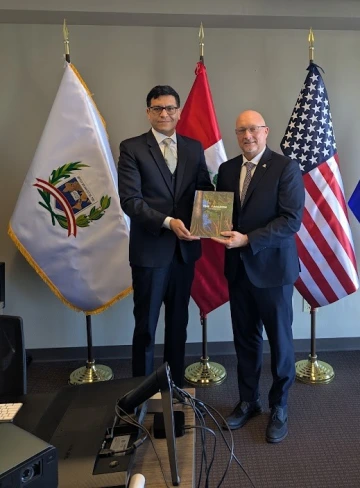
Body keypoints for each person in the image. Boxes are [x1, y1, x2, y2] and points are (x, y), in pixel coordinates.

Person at [212, 110, 305, 443]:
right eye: (241, 131)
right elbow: (221, 215)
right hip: (238, 270)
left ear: (266, 131)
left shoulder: (285, 167)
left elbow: (291, 220)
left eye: (253, 129)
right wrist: (208, 228)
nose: (247, 136)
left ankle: (279, 405)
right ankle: (248, 401)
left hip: (274, 272)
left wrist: (249, 240)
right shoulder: (226, 170)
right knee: (245, 340)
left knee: (280, 342)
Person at [118, 85, 213, 387]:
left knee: (178, 326)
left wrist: (214, 209)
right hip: (150, 252)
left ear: (179, 111)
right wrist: (169, 222)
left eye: (170, 108)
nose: (164, 114)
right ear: (148, 112)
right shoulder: (132, 148)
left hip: (184, 253)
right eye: (157, 108)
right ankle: (140, 395)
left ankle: (175, 390)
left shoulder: (193, 148)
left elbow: (202, 190)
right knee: (146, 327)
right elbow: (131, 201)